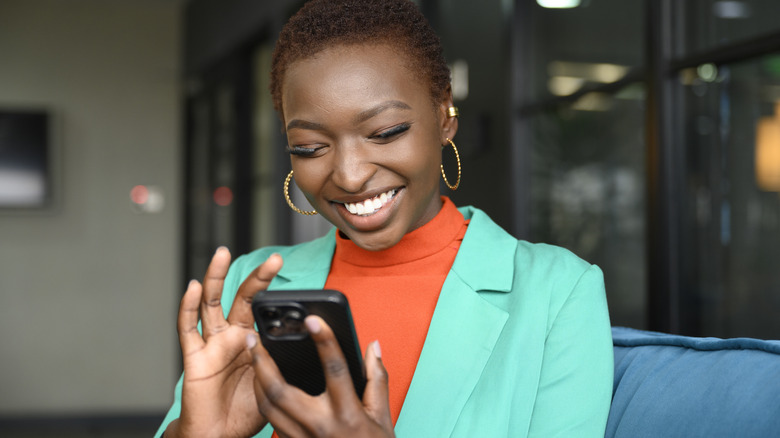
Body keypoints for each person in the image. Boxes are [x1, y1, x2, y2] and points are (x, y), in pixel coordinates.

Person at [156, 0, 613, 436]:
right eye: (310, 148)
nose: (351, 176)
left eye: (385, 133)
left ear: (444, 116)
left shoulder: (558, 292)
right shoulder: (251, 285)